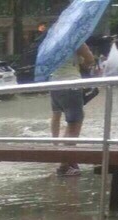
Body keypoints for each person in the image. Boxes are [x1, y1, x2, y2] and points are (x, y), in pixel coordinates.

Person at [50, 42, 96, 176]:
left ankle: (62, 153)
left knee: (57, 115)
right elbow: (90, 59)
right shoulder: (76, 41)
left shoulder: (54, 44)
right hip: (71, 85)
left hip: (54, 85)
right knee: (74, 124)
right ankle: (64, 165)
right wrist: (82, 63)